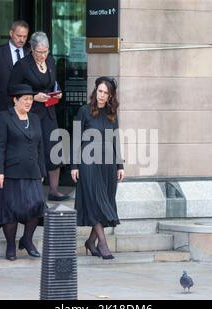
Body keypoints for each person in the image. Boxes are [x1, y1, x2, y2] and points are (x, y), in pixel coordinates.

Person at [0, 84, 46, 261]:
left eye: (30, 99)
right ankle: (11, 245)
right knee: (10, 210)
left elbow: (40, 146)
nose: (29, 102)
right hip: (10, 171)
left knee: (37, 207)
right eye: (25, 99)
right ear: (15, 100)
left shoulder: (34, 118)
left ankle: (27, 239)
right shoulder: (4, 117)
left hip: (32, 171)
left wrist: (41, 170)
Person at [9, 31, 69, 201]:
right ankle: (33, 191)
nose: (43, 55)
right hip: (31, 113)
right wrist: (33, 96)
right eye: (39, 52)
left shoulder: (50, 61)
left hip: (49, 111)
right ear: (32, 50)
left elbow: (53, 83)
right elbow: (12, 88)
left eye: (45, 51)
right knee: (34, 150)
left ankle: (54, 190)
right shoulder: (22, 65)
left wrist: (56, 94)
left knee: (53, 148)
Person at [71, 76, 124, 260]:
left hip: (108, 164)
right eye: (100, 91)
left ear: (110, 96)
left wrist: (120, 165)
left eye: (106, 93)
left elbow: (115, 139)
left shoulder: (111, 113)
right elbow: (76, 139)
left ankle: (90, 242)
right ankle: (102, 243)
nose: (102, 96)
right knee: (95, 202)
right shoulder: (84, 111)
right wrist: (74, 166)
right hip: (88, 162)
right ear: (95, 92)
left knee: (105, 202)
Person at [0, 20, 30, 113]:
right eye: (19, 36)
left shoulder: (30, 53)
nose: (22, 40)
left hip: (25, 109)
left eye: (25, 36)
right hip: (0, 107)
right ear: (11, 33)